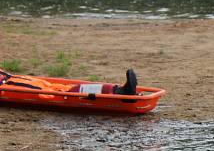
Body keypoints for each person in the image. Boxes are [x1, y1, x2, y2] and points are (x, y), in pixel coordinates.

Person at [0, 68, 137, 95]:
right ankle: (118, 92)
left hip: (11, 78)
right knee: (52, 93)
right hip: (6, 85)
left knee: (57, 86)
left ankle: (116, 90)